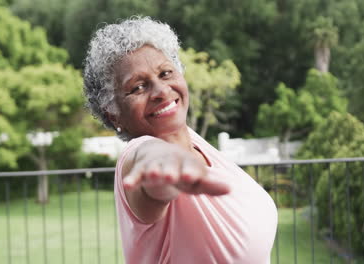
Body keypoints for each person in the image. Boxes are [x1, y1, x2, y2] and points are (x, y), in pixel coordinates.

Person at [83, 16, 277, 264]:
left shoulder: (197, 143)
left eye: (165, 73)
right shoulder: (138, 153)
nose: (162, 91)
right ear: (113, 112)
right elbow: (149, 162)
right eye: (138, 87)